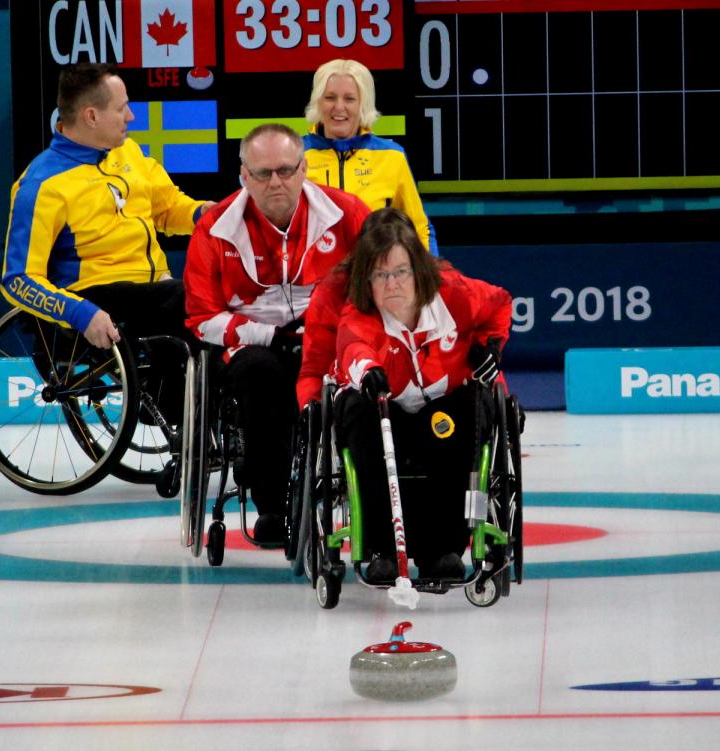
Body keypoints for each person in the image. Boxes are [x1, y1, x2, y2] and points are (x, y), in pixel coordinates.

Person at [184, 123, 371, 544]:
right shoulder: (214, 229)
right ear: (243, 176)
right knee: (259, 374)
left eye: (286, 170)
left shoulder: (347, 213)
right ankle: (272, 507)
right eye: (264, 173)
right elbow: (200, 317)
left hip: (331, 334)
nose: (276, 183)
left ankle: (377, 506)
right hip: (254, 344)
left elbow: (386, 281)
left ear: (305, 169)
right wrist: (269, 335)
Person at [1, 63, 213, 419]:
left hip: (151, 290)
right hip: (96, 296)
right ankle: (181, 421)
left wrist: (204, 214)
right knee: (186, 296)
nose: (131, 116)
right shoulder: (42, 185)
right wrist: (81, 314)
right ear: (91, 116)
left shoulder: (127, 152)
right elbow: (18, 280)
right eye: (122, 108)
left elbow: (168, 209)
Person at [334, 207, 511, 583]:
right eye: (380, 275)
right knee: (362, 420)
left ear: (418, 270)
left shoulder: (456, 294)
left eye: (399, 272)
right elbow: (352, 347)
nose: (391, 284)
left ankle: (444, 549)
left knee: (457, 423)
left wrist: (488, 347)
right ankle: (382, 548)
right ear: (366, 280)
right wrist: (367, 371)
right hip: (384, 404)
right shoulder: (359, 313)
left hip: (441, 402)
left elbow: (500, 305)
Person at [303, 59, 437, 253]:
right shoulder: (295, 155)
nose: (339, 107)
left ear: (363, 104)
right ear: (318, 101)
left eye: (349, 99)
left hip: (375, 276)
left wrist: (430, 278)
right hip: (313, 278)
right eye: (330, 97)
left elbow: (418, 228)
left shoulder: (391, 156)